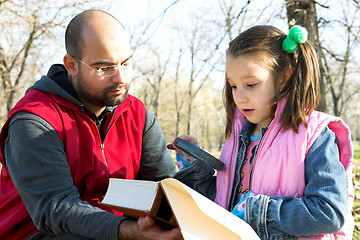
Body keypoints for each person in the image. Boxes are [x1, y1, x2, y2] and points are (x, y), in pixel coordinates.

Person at [0, 10, 182, 240]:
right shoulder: (35, 121)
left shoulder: (137, 114)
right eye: (103, 68)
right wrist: (130, 232)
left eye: (125, 64)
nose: (120, 78)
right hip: (37, 233)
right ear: (71, 65)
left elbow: (164, 187)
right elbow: (56, 210)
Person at [173, 25, 354, 239]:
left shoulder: (314, 136)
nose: (239, 97)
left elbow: (330, 212)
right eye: (233, 86)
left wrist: (259, 212)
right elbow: (226, 205)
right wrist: (195, 167)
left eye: (251, 84)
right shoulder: (239, 138)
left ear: (284, 79)